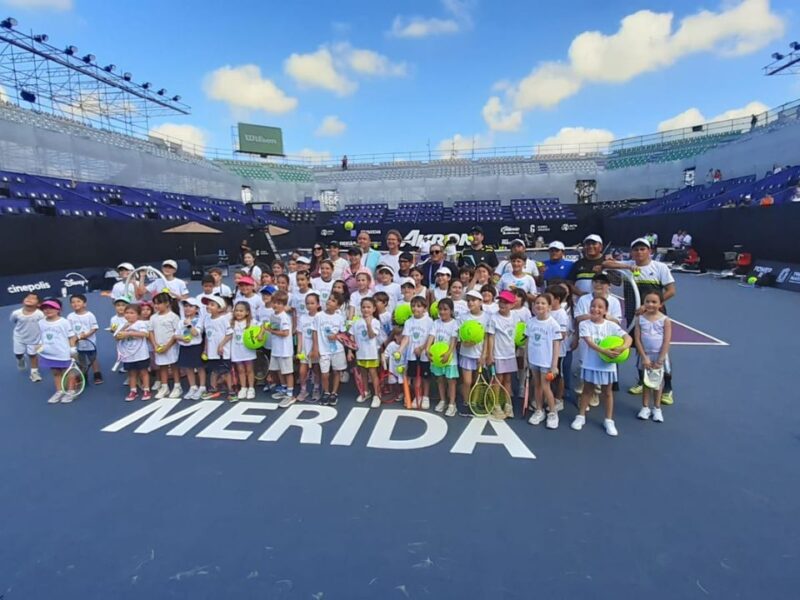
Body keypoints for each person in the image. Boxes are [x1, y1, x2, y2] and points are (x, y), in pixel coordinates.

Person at [603, 237, 677, 403]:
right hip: (634, 315)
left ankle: (667, 388)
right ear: (631, 252)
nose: (639, 252)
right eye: (636, 249)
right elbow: (606, 265)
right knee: (640, 349)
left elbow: (671, 291)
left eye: (643, 249)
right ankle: (642, 381)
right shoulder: (629, 265)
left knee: (660, 351)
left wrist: (651, 306)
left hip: (656, 317)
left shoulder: (660, 267)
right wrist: (626, 266)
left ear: (650, 251)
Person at [571, 296, 632, 437]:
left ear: (605, 311)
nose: (595, 309)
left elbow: (628, 338)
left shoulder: (612, 326)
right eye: (593, 306)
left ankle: (609, 420)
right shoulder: (584, 324)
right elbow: (589, 342)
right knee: (587, 391)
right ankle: (581, 416)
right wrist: (604, 351)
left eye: (600, 307)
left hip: (607, 366)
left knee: (608, 393)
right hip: (590, 363)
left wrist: (622, 348)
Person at [634, 291, 672, 423]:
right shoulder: (640, 319)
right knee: (646, 382)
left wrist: (661, 359)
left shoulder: (665, 320)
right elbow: (637, 339)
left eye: (654, 302)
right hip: (646, 356)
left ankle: (657, 408)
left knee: (657, 383)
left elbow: (666, 341)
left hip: (659, 355)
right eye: (647, 301)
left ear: (661, 304)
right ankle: (645, 407)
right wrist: (644, 357)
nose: (650, 304)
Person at [484, 290, 520, 419]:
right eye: (501, 302)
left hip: (510, 354)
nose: (502, 304)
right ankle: (496, 404)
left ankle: (507, 404)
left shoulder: (515, 316)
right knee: (497, 380)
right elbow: (490, 337)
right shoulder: (493, 318)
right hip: (497, 355)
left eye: (506, 302)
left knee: (508, 380)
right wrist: (490, 355)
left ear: (512, 305)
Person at [37, 298, 78, 404]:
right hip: (49, 353)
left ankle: (71, 391)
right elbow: (41, 336)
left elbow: (71, 337)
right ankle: (59, 391)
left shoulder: (64, 322)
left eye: (51, 308)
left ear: (58, 309)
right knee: (55, 373)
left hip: (63, 353)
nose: (47, 310)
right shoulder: (41, 323)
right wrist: (39, 346)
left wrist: (73, 349)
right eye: (45, 308)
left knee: (68, 373)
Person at [311, 291, 348, 406]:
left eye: (333, 301)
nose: (329, 302)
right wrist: (315, 348)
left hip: (337, 349)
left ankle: (334, 393)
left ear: (338, 306)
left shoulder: (340, 317)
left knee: (337, 371)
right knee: (325, 373)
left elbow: (343, 333)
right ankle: (326, 392)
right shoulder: (319, 316)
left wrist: (336, 336)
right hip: (323, 350)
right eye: (329, 299)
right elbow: (314, 332)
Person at [397, 296, 434, 409]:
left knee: (425, 377)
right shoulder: (409, 322)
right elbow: (406, 338)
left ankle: (425, 397)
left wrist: (422, 348)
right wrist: (400, 350)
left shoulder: (429, 321)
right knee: (412, 377)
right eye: (413, 306)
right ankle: (417, 396)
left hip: (424, 354)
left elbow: (430, 337)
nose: (415, 308)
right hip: (411, 354)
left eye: (418, 306)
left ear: (424, 308)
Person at [425, 297, 459, 417]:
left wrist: (449, 353)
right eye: (440, 309)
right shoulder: (436, 323)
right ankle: (443, 400)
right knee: (440, 380)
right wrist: (427, 349)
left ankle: (452, 404)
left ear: (451, 310)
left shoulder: (455, 323)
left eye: (445, 309)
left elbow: (454, 340)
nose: (442, 312)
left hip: (449, 359)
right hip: (437, 359)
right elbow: (431, 337)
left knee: (451, 381)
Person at [114, 303, 152, 402]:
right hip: (128, 355)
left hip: (141, 354)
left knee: (144, 372)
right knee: (131, 373)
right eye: (127, 313)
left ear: (138, 315)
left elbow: (145, 334)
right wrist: (122, 331)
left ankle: (146, 390)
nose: (128, 315)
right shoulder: (123, 325)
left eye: (132, 313)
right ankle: (133, 391)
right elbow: (116, 337)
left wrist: (129, 333)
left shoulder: (140, 324)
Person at [149, 292, 182, 399]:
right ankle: (164, 386)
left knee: (174, 366)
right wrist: (155, 345)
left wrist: (167, 346)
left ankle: (177, 386)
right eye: (155, 304)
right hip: (159, 347)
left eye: (159, 303)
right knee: (162, 366)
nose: (156, 306)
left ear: (167, 303)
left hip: (171, 347)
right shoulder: (153, 317)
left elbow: (176, 333)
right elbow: (151, 332)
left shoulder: (174, 317)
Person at [200, 295, 234, 401]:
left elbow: (229, 334)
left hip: (223, 352)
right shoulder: (207, 319)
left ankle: (231, 391)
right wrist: (205, 349)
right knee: (213, 371)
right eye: (208, 304)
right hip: (211, 352)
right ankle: (213, 389)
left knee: (226, 371)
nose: (208, 306)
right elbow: (207, 336)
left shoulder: (223, 319)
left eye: (212, 304)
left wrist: (221, 345)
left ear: (220, 308)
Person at [351, 297, 382, 408]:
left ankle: (377, 395)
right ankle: (366, 391)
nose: (366, 309)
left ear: (374, 309)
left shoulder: (375, 322)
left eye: (368, 307)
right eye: (363, 307)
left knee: (373, 374)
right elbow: (352, 337)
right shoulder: (356, 322)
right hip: (360, 353)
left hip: (372, 353)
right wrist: (350, 351)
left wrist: (368, 324)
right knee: (363, 373)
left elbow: (371, 335)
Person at [268, 291, 296, 407]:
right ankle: (284, 390)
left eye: (279, 303)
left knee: (287, 372)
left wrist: (271, 331)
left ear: (284, 305)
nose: (276, 305)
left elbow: (285, 333)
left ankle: (290, 394)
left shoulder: (284, 317)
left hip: (285, 350)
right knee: (279, 370)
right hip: (276, 349)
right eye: (274, 302)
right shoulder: (273, 315)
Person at [68, 293, 103, 384]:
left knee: (93, 359)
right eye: (73, 302)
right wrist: (74, 339)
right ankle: (84, 375)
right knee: (81, 360)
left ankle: (97, 374)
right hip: (77, 344)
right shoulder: (70, 316)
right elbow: (69, 329)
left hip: (89, 343)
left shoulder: (90, 315)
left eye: (78, 301)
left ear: (84, 304)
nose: (75, 304)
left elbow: (94, 328)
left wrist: (86, 335)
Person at [295, 292, 322, 403]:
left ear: (318, 304)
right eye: (307, 303)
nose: (309, 305)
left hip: (316, 349)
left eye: (312, 303)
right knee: (302, 371)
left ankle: (316, 389)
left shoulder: (320, 317)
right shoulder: (302, 318)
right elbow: (300, 334)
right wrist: (299, 349)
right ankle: (303, 390)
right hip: (305, 349)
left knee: (316, 370)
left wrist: (316, 349)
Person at [11, 293, 43, 382]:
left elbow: (44, 326)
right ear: (23, 301)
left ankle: (34, 373)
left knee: (33, 355)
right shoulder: (16, 313)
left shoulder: (40, 314)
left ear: (38, 304)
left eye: (33, 298)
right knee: (18, 354)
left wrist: (41, 341)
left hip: (35, 339)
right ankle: (21, 359)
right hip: (19, 338)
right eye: (28, 297)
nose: (29, 299)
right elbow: (13, 320)